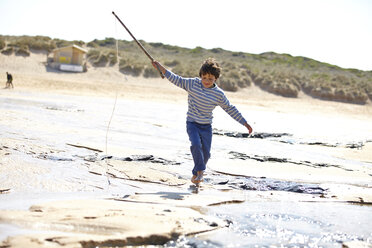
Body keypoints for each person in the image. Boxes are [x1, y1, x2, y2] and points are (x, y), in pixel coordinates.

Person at [152, 58, 253, 185]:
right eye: (204, 78)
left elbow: (230, 108)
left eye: (210, 79)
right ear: (200, 76)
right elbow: (176, 79)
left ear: (215, 79)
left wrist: (245, 123)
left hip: (206, 126)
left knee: (206, 154)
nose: (206, 81)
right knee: (195, 144)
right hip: (192, 123)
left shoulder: (218, 94)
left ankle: (196, 175)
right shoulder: (193, 84)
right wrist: (160, 68)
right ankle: (200, 172)